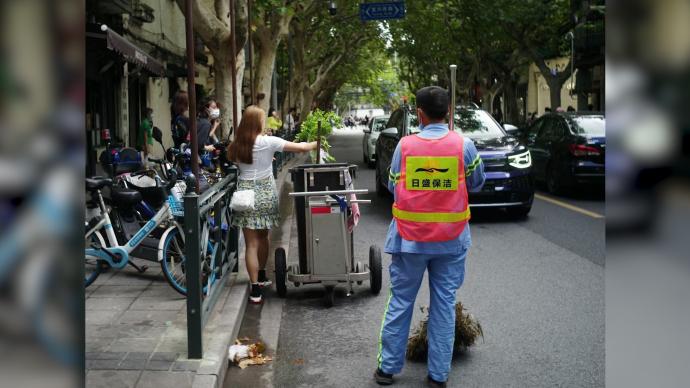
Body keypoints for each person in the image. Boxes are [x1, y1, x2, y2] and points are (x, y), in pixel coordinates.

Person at [373, 86, 485, 387]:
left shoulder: (405, 146)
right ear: (448, 112)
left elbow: (393, 184)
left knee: (400, 302)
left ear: (419, 114)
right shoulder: (464, 145)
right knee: (444, 305)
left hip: (409, 240)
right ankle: (438, 376)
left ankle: (387, 370)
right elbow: (476, 182)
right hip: (451, 241)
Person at [227, 106, 318, 304]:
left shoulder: (236, 145)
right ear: (259, 123)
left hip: (245, 195)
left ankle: (255, 290)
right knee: (263, 236)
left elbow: (238, 162)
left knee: (251, 244)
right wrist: (315, 143)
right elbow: (301, 148)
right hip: (265, 194)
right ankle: (261, 274)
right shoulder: (269, 142)